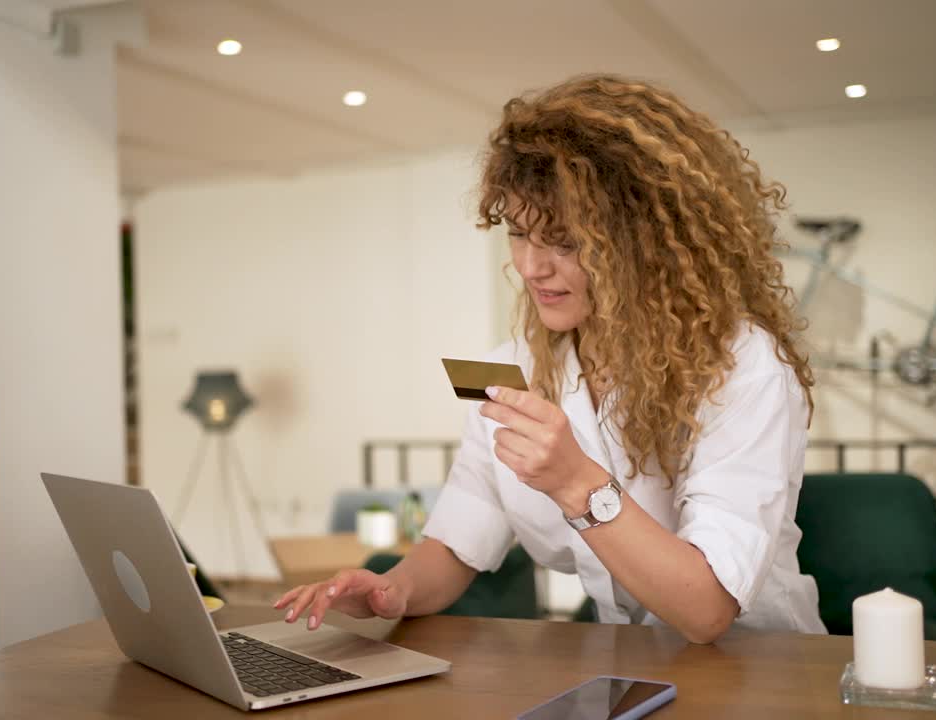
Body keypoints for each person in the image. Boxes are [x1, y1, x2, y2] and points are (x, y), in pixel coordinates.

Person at [275, 74, 825, 643]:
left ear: (642, 244)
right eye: (518, 233)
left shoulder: (741, 365)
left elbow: (706, 610)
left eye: (565, 242)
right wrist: (395, 590)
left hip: (764, 665)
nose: (532, 267)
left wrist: (575, 483)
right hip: (631, 663)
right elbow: (460, 537)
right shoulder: (513, 368)